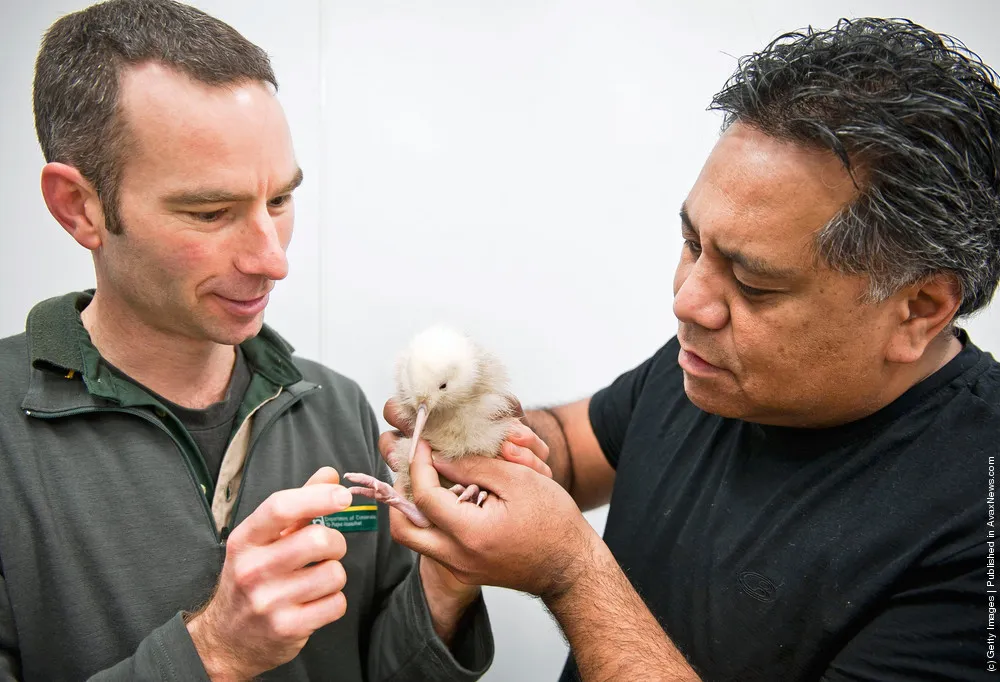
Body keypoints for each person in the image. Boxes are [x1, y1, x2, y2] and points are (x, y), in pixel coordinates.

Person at [380, 17, 1000, 682]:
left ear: (920, 309)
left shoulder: (972, 526)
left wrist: (569, 571)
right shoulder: (716, 365)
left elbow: (571, 559)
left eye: (755, 283)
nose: (688, 302)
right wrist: (478, 441)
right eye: (692, 243)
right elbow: (569, 443)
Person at [0, 0, 517, 679]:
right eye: (211, 212)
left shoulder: (334, 406)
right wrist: (211, 652)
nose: (272, 260)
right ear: (81, 207)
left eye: (279, 201)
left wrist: (448, 579)